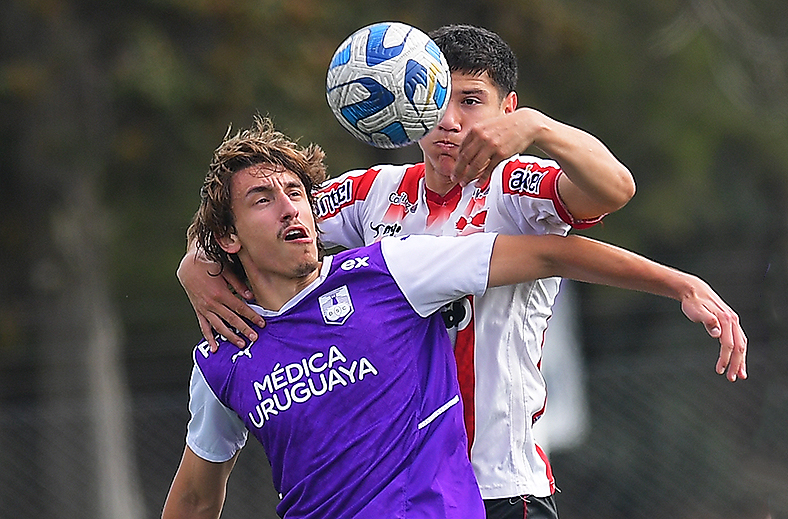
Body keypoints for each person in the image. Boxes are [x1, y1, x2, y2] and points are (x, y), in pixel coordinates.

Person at [176, 26, 748, 519]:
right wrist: (196, 263)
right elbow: (268, 219)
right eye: (433, 99)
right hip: (400, 489)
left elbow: (615, 188)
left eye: (472, 101)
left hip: (501, 480)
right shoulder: (376, 194)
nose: (449, 121)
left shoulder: (518, 189)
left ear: (509, 108)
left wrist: (540, 130)